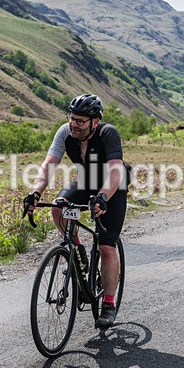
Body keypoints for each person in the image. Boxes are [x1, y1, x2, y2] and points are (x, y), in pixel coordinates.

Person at [23, 94, 129, 329]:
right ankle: (78, 251)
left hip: (113, 187)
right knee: (58, 208)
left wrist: (102, 197)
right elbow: (49, 163)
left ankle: (109, 304)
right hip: (85, 180)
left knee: (106, 246)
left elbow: (115, 172)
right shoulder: (64, 133)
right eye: (72, 118)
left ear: (95, 122)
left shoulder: (108, 133)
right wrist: (35, 194)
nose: (74, 124)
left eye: (81, 121)